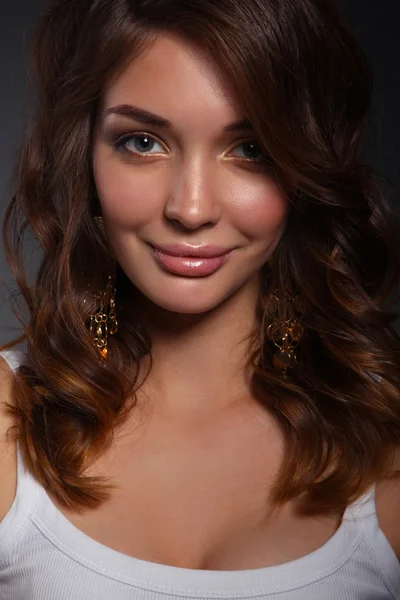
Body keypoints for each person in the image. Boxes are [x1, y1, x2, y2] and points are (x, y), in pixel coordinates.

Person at [0, 0, 400, 597]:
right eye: (142, 142)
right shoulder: (7, 421)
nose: (190, 209)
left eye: (251, 149)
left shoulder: (386, 446)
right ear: (84, 156)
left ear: (308, 168)